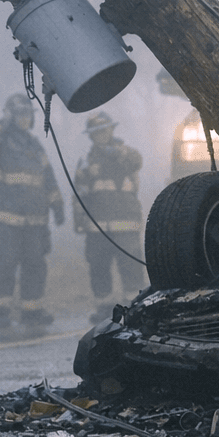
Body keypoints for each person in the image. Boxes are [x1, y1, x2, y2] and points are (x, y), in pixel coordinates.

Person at [0, 94, 65, 336]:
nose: (25, 120)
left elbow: (48, 178)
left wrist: (57, 204)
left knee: (35, 267)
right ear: (11, 117)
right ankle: (1, 315)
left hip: (34, 223)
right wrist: (4, 121)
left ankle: (32, 312)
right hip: (4, 222)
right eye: (20, 115)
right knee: (4, 267)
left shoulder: (34, 146)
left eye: (28, 115)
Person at [73, 112, 146, 321]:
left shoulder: (126, 153)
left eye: (104, 131)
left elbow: (136, 161)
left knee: (131, 267)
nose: (100, 136)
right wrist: (79, 220)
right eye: (95, 133)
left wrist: (116, 154)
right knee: (98, 267)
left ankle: (136, 308)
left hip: (126, 224)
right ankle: (104, 310)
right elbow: (79, 192)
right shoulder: (85, 162)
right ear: (90, 136)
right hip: (96, 227)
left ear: (112, 130)